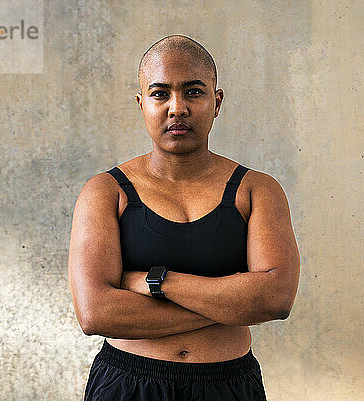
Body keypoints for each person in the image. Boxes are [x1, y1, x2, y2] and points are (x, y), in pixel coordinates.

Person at [68, 34, 300, 401]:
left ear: (216, 101)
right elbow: (96, 313)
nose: (177, 107)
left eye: (193, 91)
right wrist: (231, 301)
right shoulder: (105, 191)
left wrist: (157, 282)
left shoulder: (257, 190)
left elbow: (275, 299)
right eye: (160, 94)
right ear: (141, 103)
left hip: (228, 385)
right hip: (128, 385)